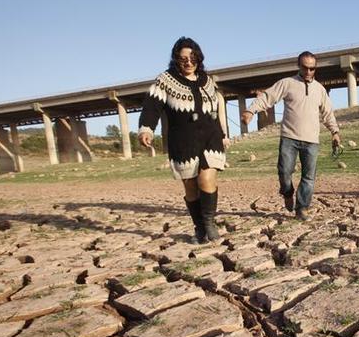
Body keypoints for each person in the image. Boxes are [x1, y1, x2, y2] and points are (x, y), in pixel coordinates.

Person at [138, 36, 230, 243]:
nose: (188, 62)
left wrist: (223, 135)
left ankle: (209, 223)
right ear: (176, 61)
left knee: (207, 180)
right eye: (183, 59)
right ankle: (199, 226)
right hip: (183, 141)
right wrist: (146, 130)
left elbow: (217, 110)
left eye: (192, 58)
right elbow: (152, 106)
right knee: (190, 186)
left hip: (210, 138)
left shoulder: (208, 81)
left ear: (199, 58)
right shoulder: (166, 80)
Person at [241, 51, 342, 221]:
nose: (309, 72)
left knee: (309, 177)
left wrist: (335, 132)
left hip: (311, 141)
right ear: (298, 66)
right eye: (305, 67)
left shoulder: (320, 89)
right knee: (284, 172)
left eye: (312, 68)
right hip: (289, 137)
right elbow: (267, 97)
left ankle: (302, 208)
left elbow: (328, 113)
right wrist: (251, 110)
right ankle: (287, 192)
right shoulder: (287, 83)